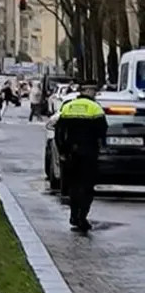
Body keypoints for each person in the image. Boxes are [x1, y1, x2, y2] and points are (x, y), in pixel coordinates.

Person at [54, 84, 107, 234]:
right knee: (87, 186)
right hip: (88, 153)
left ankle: (73, 215)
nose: (94, 94)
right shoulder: (95, 108)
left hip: (70, 153)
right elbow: (102, 131)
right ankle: (82, 217)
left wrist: (62, 150)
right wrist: (102, 148)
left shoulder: (68, 107)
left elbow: (59, 131)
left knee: (74, 186)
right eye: (93, 91)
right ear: (88, 92)